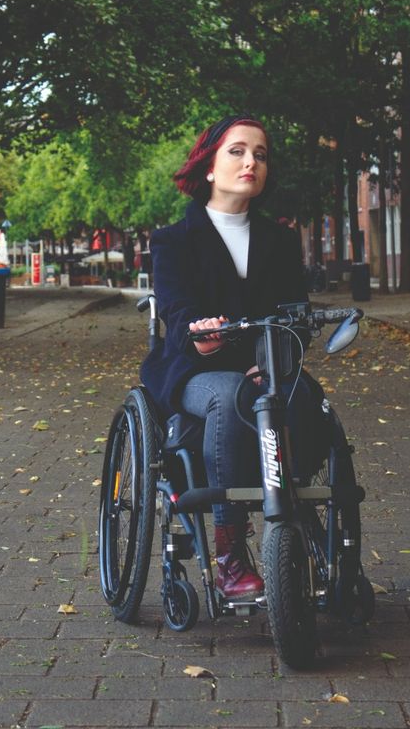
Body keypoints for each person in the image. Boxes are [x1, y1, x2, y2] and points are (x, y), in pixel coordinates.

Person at [140, 115, 325, 601]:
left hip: (266, 366)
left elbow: (294, 314)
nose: (250, 162)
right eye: (237, 152)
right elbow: (177, 312)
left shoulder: (280, 240)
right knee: (227, 395)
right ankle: (229, 550)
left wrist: (275, 360)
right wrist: (199, 337)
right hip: (197, 368)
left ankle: (299, 517)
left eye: (260, 155)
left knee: (306, 396)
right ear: (208, 166)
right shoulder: (173, 240)